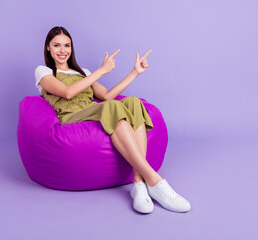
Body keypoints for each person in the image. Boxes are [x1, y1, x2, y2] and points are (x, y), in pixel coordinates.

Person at [35, 26, 191, 214]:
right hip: (70, 116)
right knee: (112, 107)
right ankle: (155, 180)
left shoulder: (83, 72)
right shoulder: (43, 71)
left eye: (67, 45)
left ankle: (138, 184)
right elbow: (67, 93)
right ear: (48, 48)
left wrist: (134, 72)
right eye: (57, 45)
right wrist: (101, 70)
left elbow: (108, 95)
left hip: (93, 110)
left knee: (132, 102)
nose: (62, 50)